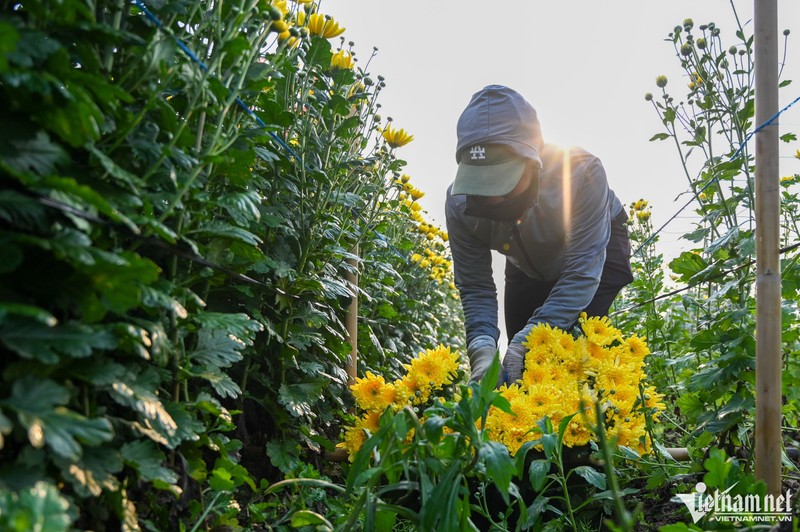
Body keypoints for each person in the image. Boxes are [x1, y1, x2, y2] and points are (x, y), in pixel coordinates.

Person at [444, 85, 634, 385]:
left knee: (575, 359)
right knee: (515, 368)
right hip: (526, 261)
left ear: (533, 161)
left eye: (501, 181)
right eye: (482, 183)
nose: (492, 198)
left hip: (595, 255)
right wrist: (481, 350)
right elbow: (475, 286)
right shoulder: (459, 203)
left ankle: (591, 425)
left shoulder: (581, 174)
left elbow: (582, 272)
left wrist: (532, 338)